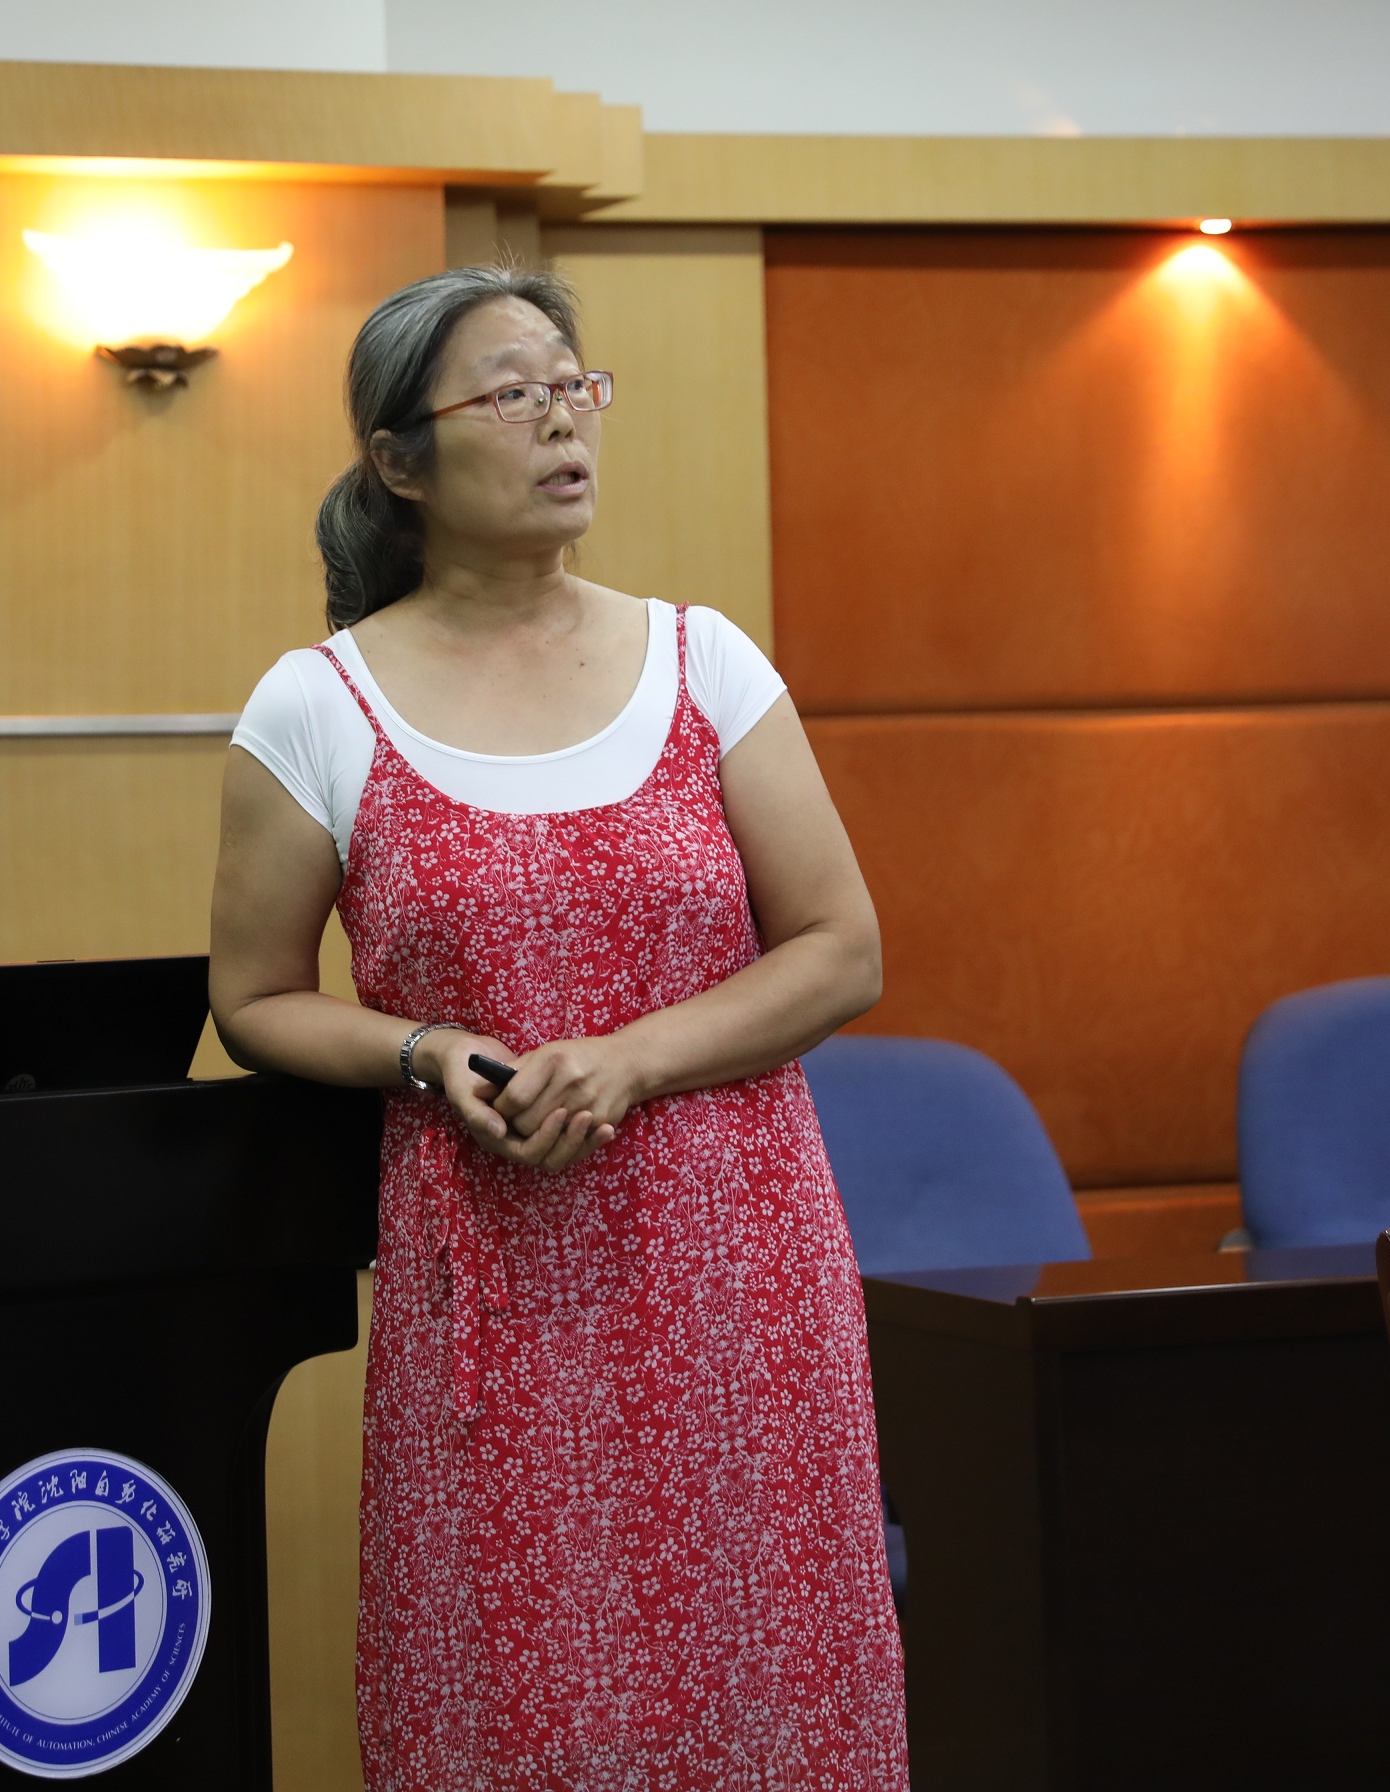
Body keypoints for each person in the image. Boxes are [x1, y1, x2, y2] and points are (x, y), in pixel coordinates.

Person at [207, 263, 908, 1789]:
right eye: (511, 391)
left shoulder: (705, 662)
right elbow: (253, 999)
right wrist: (422, 1052)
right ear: (400, 462)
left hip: (738, 1276)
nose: (561, 417)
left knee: (768, 1686)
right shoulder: (318, 705)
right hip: (497, 1281)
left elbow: (840, 949)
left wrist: (633, 1057)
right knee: (516, 1702)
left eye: (573, 383)